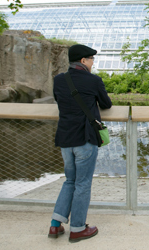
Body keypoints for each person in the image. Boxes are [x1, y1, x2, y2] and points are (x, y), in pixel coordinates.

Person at [48, 44, 112, 243]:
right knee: (83, 184)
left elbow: (60, 100)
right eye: (92, 59)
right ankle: (77, 228)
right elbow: (106, 104)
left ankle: (55, 225)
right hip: (85, 139)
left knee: (70, 181)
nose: (93, 63)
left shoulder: (59, 80)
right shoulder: (93, 81)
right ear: (83, 61)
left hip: (66, 139)